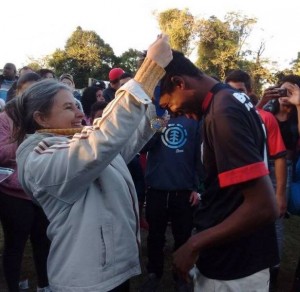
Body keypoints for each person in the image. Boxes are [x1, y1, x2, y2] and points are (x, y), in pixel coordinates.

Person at [6, 34, 172, 292]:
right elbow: (101, 142)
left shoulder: (78, 142)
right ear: (41, 118)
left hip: (111, 270)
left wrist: (157, 116)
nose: (80, 113)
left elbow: (121, 143)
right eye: (68, 108)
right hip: (86, 280)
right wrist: (149, 73)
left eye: (77, 104)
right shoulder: (38, 156)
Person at [157, 50, 279, 292]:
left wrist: (194, 244)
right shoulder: (229, 99)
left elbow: (264, 205)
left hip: (236, 266)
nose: (172, 113)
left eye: (169, 105)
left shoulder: (223, 111)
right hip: (233, 255)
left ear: (179, 83)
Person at [225, 69, 287, 291]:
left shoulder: (266, 117)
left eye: (240, 91)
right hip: (232, 191)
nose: (236, 96)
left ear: (249, 92)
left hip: (260, 186)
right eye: (230, 91)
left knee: (267, 229)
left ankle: (272, 270)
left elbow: (279, 157)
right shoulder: (220, 115)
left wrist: (280, 194)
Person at [0, 72, 51, 292]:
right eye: (27, 90)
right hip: (13, 192)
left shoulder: (44, 116)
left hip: (41, 189)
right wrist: (29, 142)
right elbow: (1, 152)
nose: (31, 95)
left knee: (44, 242)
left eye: (36, 91)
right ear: (18, 91)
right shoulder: (5, 118)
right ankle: (13, 286)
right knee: (15, 244)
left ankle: (45, 285)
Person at [139, 114, 201, 292]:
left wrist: (196, 187)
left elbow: (198, 155)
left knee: (183, 235)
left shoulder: (193, 121)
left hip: (183, 191)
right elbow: (143, 147)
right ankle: (153, 273)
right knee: (155, 235)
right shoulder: (157, 119)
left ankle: (180, 275)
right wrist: (158, 128)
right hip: (156, 189)